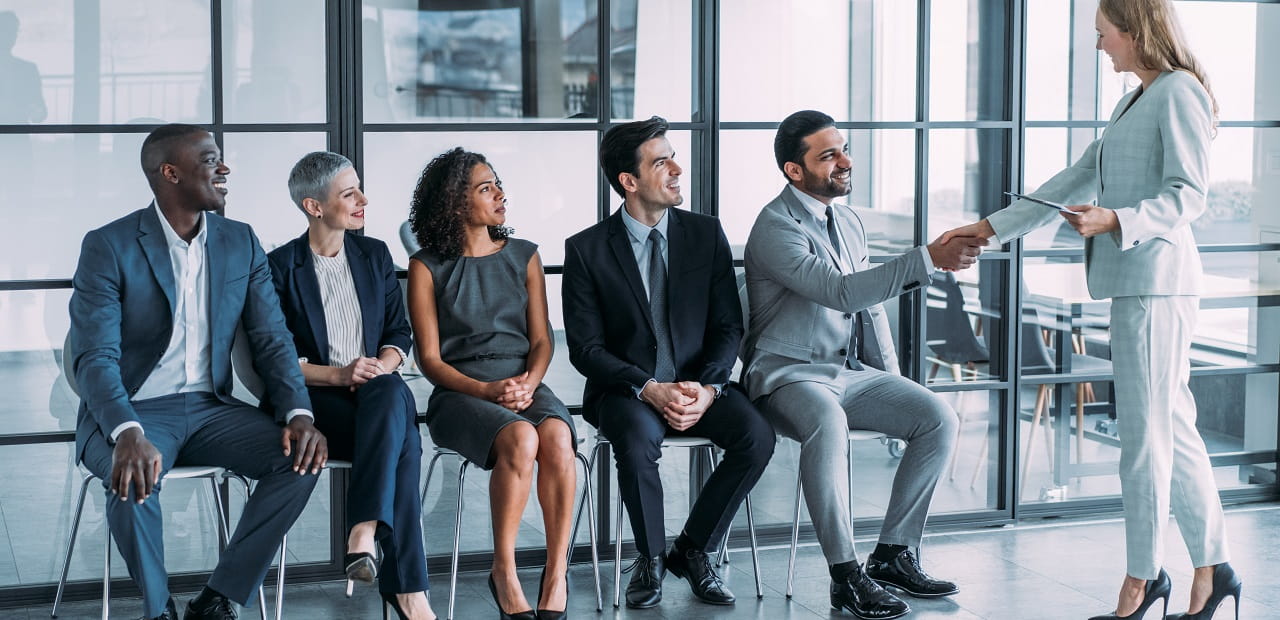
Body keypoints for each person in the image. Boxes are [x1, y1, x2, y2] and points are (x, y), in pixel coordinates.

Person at [941, 2, 1239, 618]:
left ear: (1135, 31)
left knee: (1143, 440)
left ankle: (1142, 580)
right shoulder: (1135, 100)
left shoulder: (1178, 91)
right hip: (1138, 284)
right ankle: (1214, 569)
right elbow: (1074, 179)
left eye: (1104, 34)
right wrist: (987, 229)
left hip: (1155, 284)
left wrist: (1116, 219)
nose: (1100, 46)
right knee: (1172, 430)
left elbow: (1189, 194)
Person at [68, 124, 327, 620]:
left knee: (300, 460)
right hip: (134, 411)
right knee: (133, 477)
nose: (224, 168)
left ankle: (217, 598)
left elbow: (272, 338)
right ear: (171, 173)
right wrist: (126, 431)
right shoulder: (109, 245)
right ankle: (158, 611)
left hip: (212, 411)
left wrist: (298, 412)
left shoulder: (239, 241)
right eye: (210, 160)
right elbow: (94, 357)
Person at [741, 110, 985, 619]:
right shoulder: (774, 227)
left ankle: (894, 552)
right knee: (827, 422)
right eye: (829, 155)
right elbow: (842, 293)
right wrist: (928, 257)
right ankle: (846, 576)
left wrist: (893, 383)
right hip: (789, 373)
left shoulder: (849, 221)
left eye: (844, 149)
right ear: (794, 170)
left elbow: (870, 311)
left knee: (937, 417)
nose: (846, 162)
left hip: (848, 372)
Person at [563, 116, 776, 610]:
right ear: (629, 180)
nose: (678, 170)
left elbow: (728, 326)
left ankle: (693, 549)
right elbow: (586, 349)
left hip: (698, 385)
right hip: (627, 391)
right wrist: (647, 387)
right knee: (637, 442)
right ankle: (651, 557)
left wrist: (708, 388)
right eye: (662, 162)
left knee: (757, 437)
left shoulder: (705, 234)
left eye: (673, 158)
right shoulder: (587, 250)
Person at [406, 148, 577, 620]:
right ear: (456, 202)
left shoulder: (525, 256)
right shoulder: (426, 267)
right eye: (486, 188)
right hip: (460, 392)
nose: (501, 194)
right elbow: (429, 360)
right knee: (521, 438)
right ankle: (504, 571)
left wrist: (530, 383)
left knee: (557, 436)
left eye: (498, 184)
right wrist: (485, 391)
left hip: (524, 381)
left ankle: (557, 572)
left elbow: (542, 341)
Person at [267, 152, 434, 620]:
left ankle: (364, 532)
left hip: (376, 392)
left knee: (389, 394)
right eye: (349, 193)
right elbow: (275, 358)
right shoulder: (279, 267)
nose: (364, 200)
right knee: (403, 438)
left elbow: (398, 332)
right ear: (314, 206)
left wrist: (379, 367)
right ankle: (407, 591)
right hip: (319, 402)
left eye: (359, 189)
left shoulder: (374, 255)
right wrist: (340, 375)